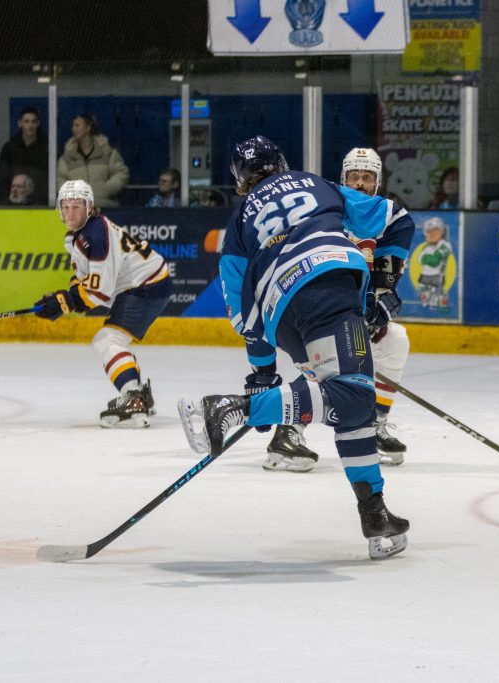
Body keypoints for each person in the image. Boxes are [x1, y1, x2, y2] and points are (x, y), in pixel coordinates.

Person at [177, 135, 414, 559]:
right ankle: (230, 408)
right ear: (282, 163)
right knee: (357, 396)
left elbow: (245, 318)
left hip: (282, 319)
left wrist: (263, 372)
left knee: (351, 408)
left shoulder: (236, 226)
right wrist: (383, 289)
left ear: (241, 181)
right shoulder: (316, 184)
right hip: (327, 284)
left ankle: (374, 511)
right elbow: (398, 219)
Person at [261, 146, 412, 473]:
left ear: (377, 182)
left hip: (343, 311)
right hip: (305, 307)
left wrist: (380, 304)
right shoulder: (324, 209)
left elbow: (385, 281)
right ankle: (286, 433)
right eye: (354, 177)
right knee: (330, 362)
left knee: (395, 341)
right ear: (343, 178)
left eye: (367, 177)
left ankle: (372, 426)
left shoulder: (385, 220)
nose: (359, 184)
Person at [34, 180, 172, 428]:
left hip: (147, 285)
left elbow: (100, 292)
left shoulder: (96, 234)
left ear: (89, 207)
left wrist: (66, 303)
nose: (70, 213)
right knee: (108, 340)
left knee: (107, 341)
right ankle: (139, 394)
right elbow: (83, 278)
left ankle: (133, 399)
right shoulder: (77, 235)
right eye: (65, 206)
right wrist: (65, 299)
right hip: (145, 284)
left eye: (76, 206)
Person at [56, 114, 129, 207]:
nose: (73, 129)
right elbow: (59, 179)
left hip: (106, 208)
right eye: (73, 126)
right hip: (78, 209)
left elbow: (121, 173)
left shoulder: (107, 152)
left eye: (77, 125)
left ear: (88, 128)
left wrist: (106, 189)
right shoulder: (67, 156)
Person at [0, 106, 48, 205]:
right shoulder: (9, 148)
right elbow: (1, 177)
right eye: (26, 121)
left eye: (33, 121)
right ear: (20, 123)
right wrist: (5, 201)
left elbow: (47, 178)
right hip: (12, 203)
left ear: (38, 124)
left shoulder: (46, 148)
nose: (30, 125)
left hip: (39, 204)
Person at [416, 216, 453, 311]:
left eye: (434, 230)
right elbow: (421, 260)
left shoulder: (445, 245)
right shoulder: (426, 248)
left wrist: (429, 258)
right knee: (425, 296)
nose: (431, 234)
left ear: (441, 231)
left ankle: (440, 306)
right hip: (424, 276)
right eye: (429, 232)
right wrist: (430, 258)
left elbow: (434, 261)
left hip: (437, 275)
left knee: (438, 296)